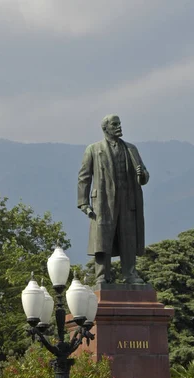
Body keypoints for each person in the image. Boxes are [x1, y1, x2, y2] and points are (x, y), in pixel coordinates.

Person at [77, 114, 149, 284]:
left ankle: (130, 274)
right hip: (103, 203)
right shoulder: (93, 150)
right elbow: (84, 178)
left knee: (129, 239)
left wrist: (142, 175)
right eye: (115, 124)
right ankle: (102, 276)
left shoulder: (131, 149)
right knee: (102, 240)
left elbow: (144, 176)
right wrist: (83, 203)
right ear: (105, 128)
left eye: (119, 124)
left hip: (128, 201)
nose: (119, 127)